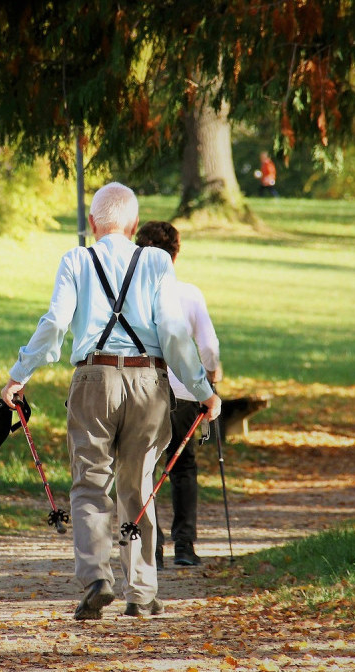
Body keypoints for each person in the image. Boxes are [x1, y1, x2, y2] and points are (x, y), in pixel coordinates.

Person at [0, 182, 221, 621]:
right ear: (134, 225)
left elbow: (55, 323)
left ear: (92, 224)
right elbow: (175, 335)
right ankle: (142, 592)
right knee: (138, 487)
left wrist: (18, 376)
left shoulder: (76, 259)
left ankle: (97, 579)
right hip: (148, 381)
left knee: (89, 483)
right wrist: (203, 390)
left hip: (93, 378)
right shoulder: (157, 261)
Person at [134, 221, 221, 569]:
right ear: (176, 253)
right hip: (186, 391)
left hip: (144, 389)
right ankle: (184, 545)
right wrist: (212, 375)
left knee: (145, 466)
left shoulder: (133, 295)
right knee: (183, 467)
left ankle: (152, 548)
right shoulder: (188, 294)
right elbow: (209, 345)